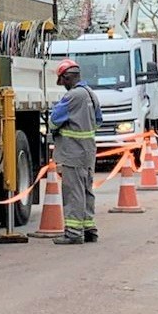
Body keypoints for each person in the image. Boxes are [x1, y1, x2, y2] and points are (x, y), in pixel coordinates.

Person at [48, 58, 102, 245]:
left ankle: (73, 233)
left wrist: (56, 130)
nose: (61, 84)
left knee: (73, 192)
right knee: (86, 189)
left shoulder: (72, 96)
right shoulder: (90, 94)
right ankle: (89, 230)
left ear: (67, 77)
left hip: (72, 152)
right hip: (88, 151)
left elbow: (54, 120)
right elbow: (98, 120)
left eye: (61, 80)